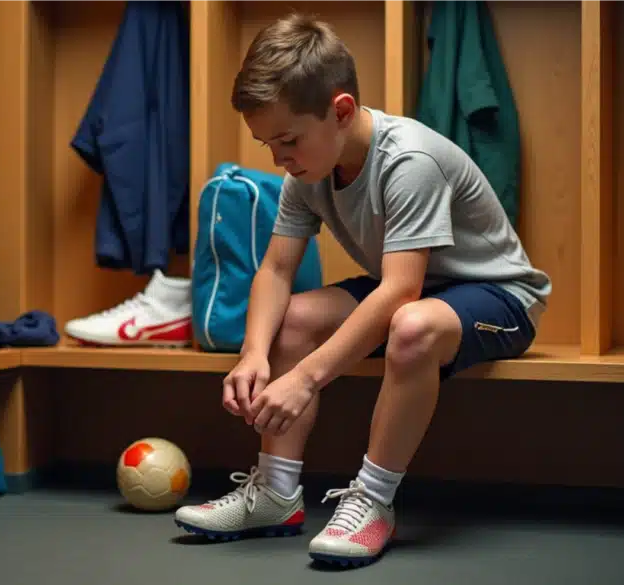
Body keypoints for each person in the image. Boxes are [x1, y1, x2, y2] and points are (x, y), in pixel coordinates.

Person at [173, 12, 551, 567]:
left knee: (412, 324)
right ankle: (276, 497)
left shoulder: (409, 160)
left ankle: (373, 502)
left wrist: (304, 378)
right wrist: (253, 355)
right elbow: (276, 271)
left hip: (498, 296)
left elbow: (402, 292)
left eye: (287, 141)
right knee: (296, 318)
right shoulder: (306, 170)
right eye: (268, 144)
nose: (279, 159)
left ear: (341, 111)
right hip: (414, 290)